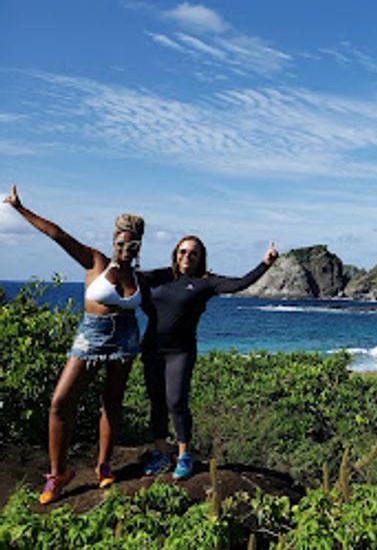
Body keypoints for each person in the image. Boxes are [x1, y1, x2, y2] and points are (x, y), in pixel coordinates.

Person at [3, 185, 148, 504]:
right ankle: (58, 474)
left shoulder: (139, 277)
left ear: (138, 246)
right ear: (114, 240)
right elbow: (57, 234)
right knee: (60, 402)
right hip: (91, 335)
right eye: (122, 240)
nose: (126, 245)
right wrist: (20, 208)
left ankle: (104, 464)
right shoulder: (94, 260)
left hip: (125, 337)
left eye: (133, 242)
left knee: (112, 402)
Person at [141, 235, 278, 479]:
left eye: (193, 253)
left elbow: (240, 284)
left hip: (180, 352)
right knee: (157, 401)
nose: (186, 257)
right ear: (175, 253)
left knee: (176, 400)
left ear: (200, 257)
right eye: (182, 252)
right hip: (152, 348)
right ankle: (161, 452)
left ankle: (184, 454)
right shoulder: (161, 276)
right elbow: (128, 277)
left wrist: (265, 263)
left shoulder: (206, 282)